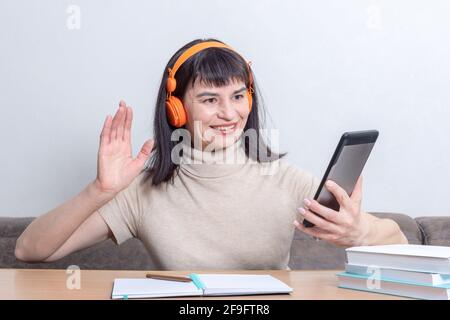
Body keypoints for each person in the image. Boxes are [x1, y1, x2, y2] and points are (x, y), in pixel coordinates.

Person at [15, 39, 408, 270]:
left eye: (238, 97)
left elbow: (400, 241)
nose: (229, 113)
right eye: (209, 99)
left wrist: (360, 233)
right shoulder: (142, 193)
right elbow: (30, 250)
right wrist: (100, 191)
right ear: (177, 111)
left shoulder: (286, 181)